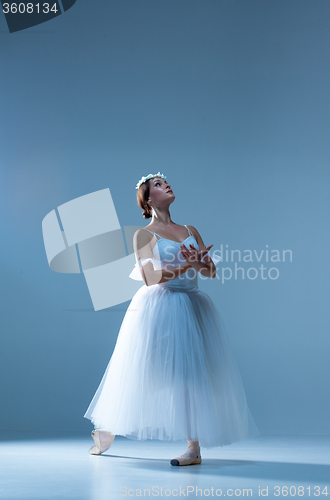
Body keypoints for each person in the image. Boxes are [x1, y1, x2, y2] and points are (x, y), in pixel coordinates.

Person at [84, 172, 259, 466]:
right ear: (149, 198)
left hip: (192, 306)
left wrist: (201, 263)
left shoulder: (189, 229)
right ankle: (109, 428)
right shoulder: (144, 235)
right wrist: (184, 264)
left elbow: (210, 273)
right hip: (160, 306)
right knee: (143, 372)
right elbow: (150, 278)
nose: (166, 185)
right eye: (158, 184)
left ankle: (194, 448)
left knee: (191, 375)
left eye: (166, 182)